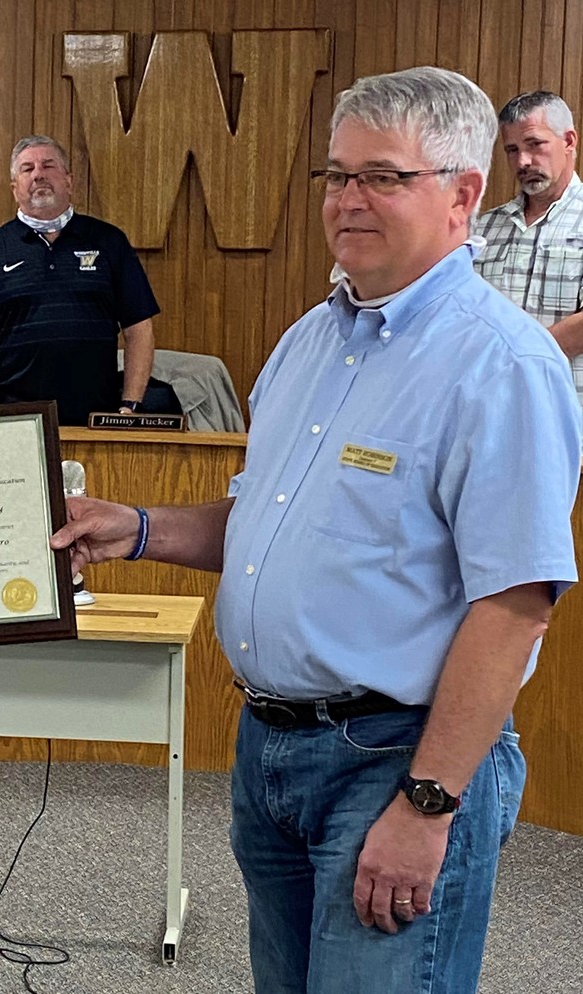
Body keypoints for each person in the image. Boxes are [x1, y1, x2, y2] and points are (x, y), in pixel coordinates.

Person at [51, 67, 581, 992]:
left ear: (463, 194)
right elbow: (265, 525)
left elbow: (515, 605)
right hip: (271, 754)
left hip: (398, 760)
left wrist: (427, 802)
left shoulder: (502, 364)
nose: (347, 199)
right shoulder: (308, 343)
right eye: (337, 175)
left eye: (382, 176)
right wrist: (133, 528)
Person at [0, 134, 159, 425]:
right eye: (27, 169)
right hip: (18, 422)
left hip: (97, 420)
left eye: (48, 166)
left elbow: (139, 329)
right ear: (14, 189)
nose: (38, 174)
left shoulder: (109, 241)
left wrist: (129, 407)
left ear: (69, 181)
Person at [474, 91, 583, 404]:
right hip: (492, 413)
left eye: (534, 144)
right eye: (512, 150)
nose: (522, 161)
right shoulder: (483, 229)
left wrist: (515, 360)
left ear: (569, 141)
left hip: (568, 416)